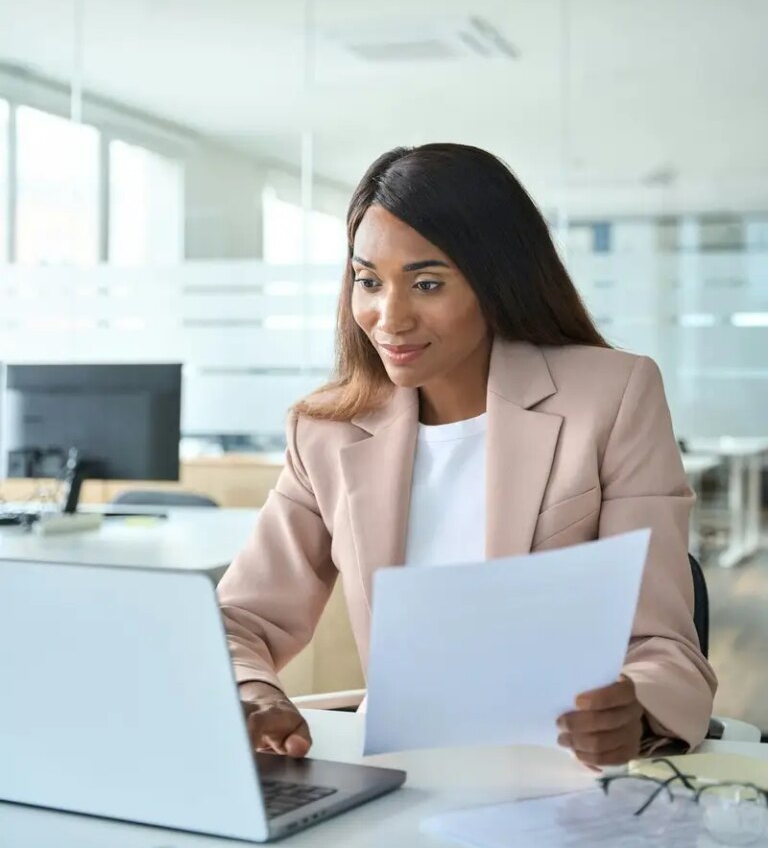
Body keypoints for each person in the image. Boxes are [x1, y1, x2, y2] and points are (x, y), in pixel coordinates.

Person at [218, 143, 716, 767]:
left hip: (555, 767)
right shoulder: (326, 431)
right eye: (369, 281)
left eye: (427, 283)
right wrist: (255, 692)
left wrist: (635, 710)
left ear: (495, 279)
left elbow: (662, 644)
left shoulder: (613, 396)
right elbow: (242, 619)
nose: (388, 317)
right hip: (396, 770)